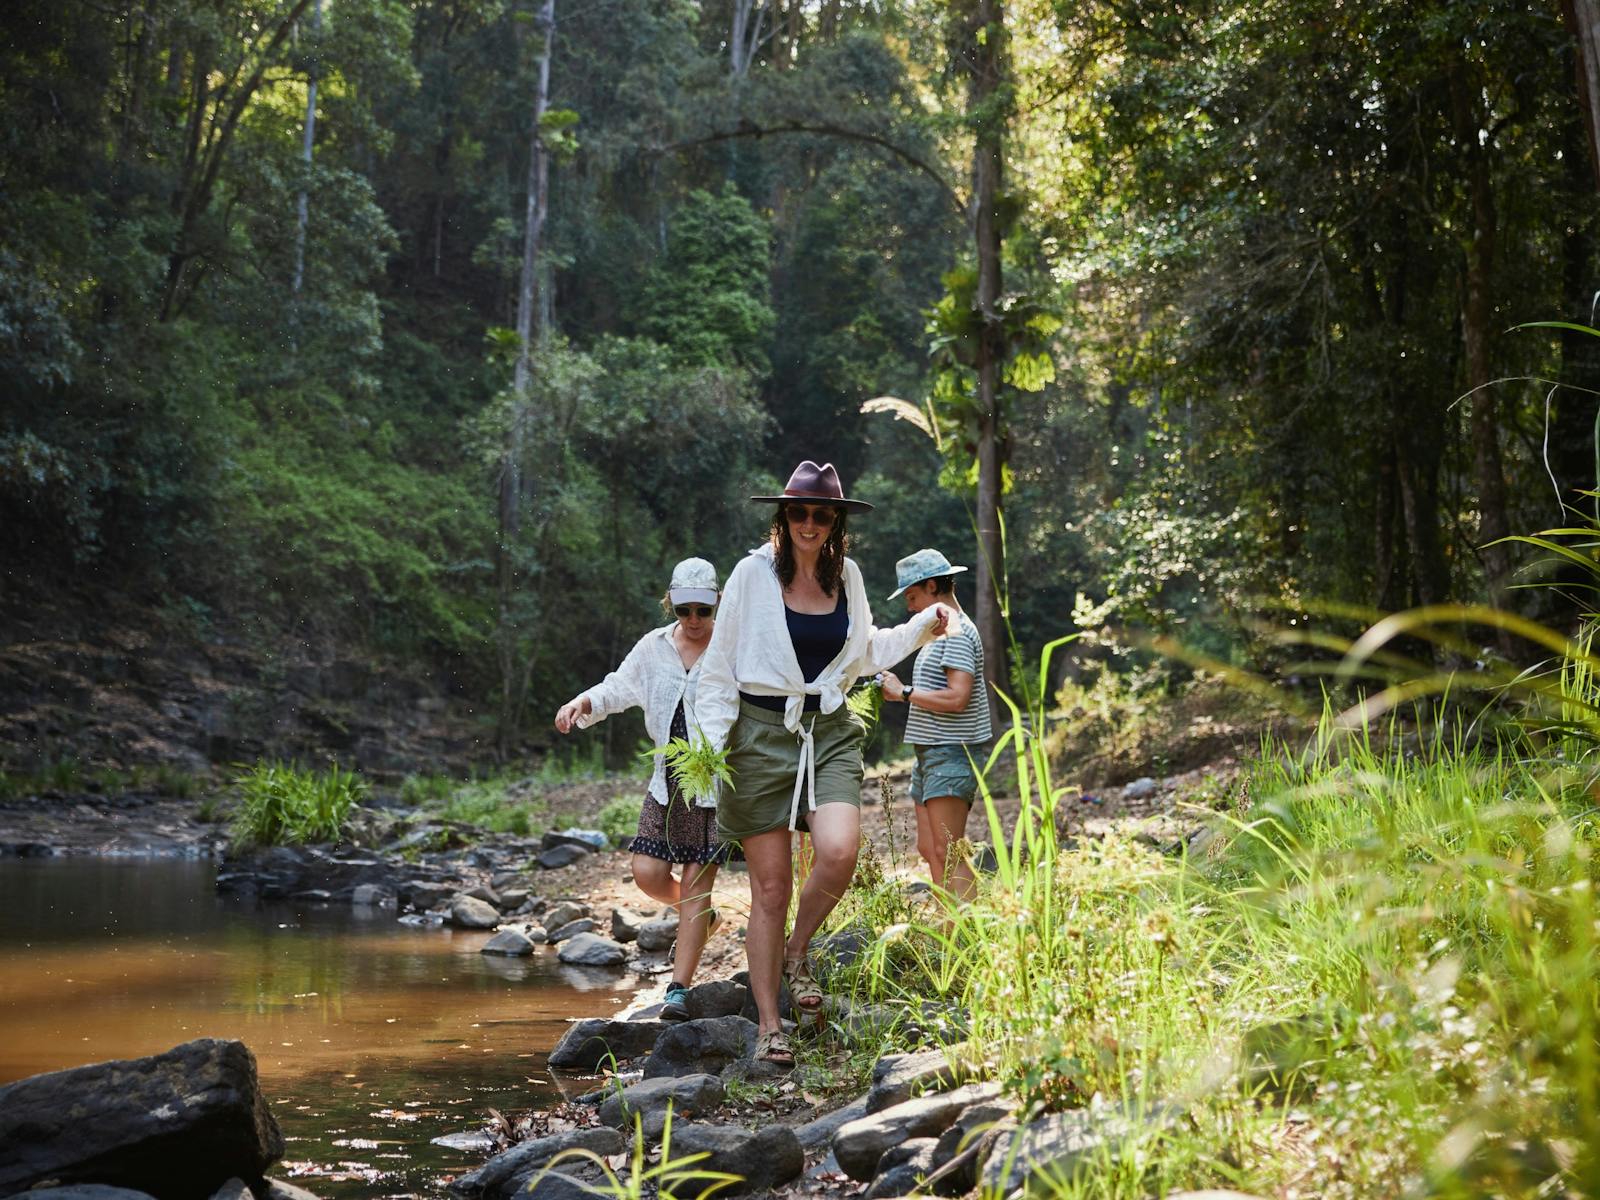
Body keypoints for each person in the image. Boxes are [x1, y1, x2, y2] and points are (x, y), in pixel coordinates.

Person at [696, 462, 955, 1067]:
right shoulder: (750, 575)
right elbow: (718, 666)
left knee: (838, 852)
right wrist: (709, 748)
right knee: (770, 886)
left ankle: (797, 950)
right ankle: (769, 1025)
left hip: (829, 728)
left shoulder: (850, 575)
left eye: (821, 514)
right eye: (798, 512)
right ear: (782, 517)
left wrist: (922, 627)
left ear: (836, 520)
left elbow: (864, 653)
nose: (809, 523)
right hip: (759, 734)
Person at [553, 557, 740, 1022]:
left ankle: (678, 989)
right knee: (647, 873)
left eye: (702, 609)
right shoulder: (653, 647)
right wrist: (584, 701)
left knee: (698, 884)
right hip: (667, 779)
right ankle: (703, 917)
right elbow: (619, 687)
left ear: (717, 602)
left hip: (714, 783)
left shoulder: (733, 648)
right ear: (670, 605)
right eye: (684, 611)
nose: (694, 620)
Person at [879, 549, 993, 906]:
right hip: (929, 753)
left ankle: (972, 936)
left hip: (952, 752)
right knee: (930, 849)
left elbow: (958, 697)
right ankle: (949, 934)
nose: (910, 607)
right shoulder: (940, 633)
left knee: (949, 850)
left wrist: (905, 692)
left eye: (912, 597)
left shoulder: (957, 632)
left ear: (932, 587)